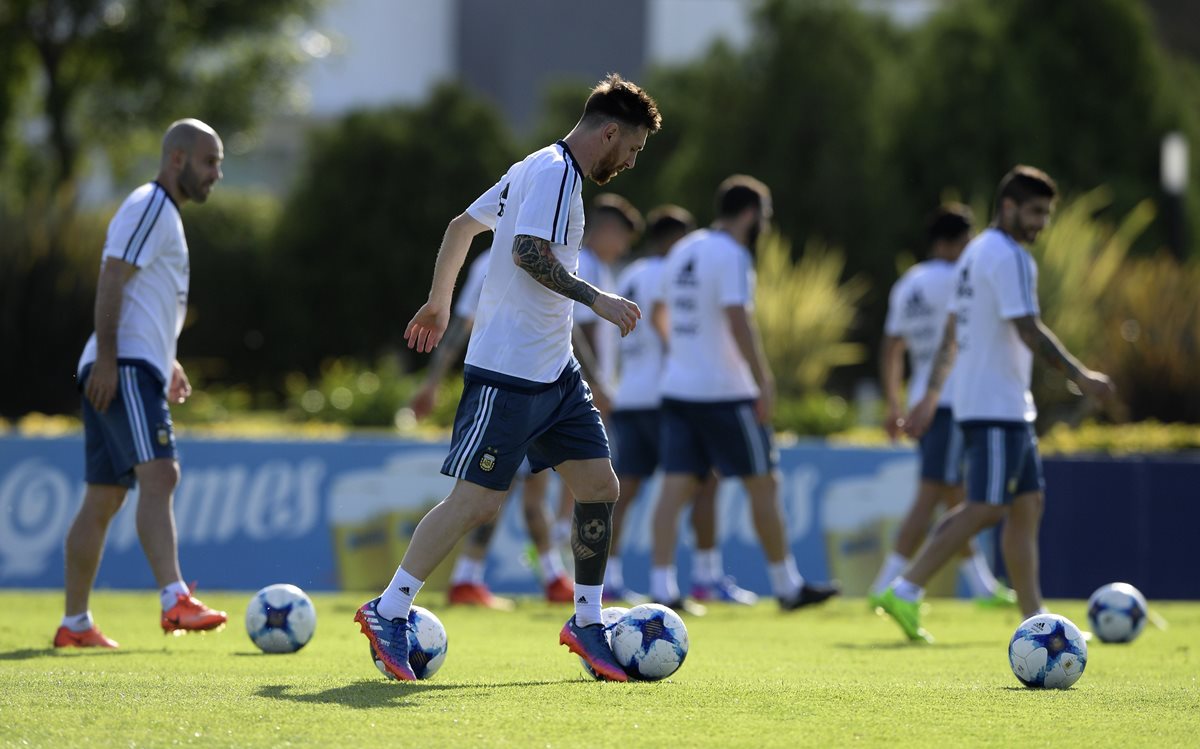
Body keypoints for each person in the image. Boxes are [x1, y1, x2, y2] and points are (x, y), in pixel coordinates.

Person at [355, 73, 661, 682]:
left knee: (599, 485)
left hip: (555, 371)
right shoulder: (552, 173)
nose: (630, 161)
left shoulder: (536, 168)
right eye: (633, 148)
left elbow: (462, 227)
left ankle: (589, 623)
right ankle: (389, 610)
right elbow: (526, 251)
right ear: (608, 132)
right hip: (509, 370)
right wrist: (595, 298)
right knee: (480, 501)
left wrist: (441, 301)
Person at [879, 165, 1115, 643]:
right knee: (985, 507)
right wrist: (1080, 376)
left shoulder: (974, 254)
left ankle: (1036, 618)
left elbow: (952, 332)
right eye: (1035, 212)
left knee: (1027, 507)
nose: (1042, 223)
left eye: (1046, 214)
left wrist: (930, 394)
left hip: (1004, 404)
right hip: (993, 406)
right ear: (1008, 206)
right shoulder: (1007, 256)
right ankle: (904, 588)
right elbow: (1027, 328)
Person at [56, 119, 229, 649]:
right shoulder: (152, 205)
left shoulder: (162, 214)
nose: (216, 175)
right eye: (209, 162)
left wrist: (166, 358)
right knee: (162, 473)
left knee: (104, 496)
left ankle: (75, 624)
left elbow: (144, 299)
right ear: (176, 159)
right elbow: (112, 275)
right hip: (122, 365)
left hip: (132, 361)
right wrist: (111, 359)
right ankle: (174, 599)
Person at [649, 175, 840, 612]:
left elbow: (660, 310)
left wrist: (682, 351)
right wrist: (763, 380)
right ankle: (787, 586)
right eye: (766, 216)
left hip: (678, 388)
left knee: (675, 488)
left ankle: (662, 589)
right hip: (725, 392)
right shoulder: (733, 254)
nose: (767, 225)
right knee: (764, 484)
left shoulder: (684, 248)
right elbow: (739, 319)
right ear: (751, 213)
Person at [604, 206, 756, 608]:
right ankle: (705, 576)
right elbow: (664, 320)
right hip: (668, 396)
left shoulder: (630, 274)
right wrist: (684, 354)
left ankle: (611, 578)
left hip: (629, 395)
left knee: (627, 491)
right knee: (703, 484)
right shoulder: (674, 269)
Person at [408, 248, 573, 607]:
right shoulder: (496, 259)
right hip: (507, 386)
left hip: (545, 382)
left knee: (533, 485)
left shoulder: (546, 245)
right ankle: (466, 576)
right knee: (491, 491)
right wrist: (432, 382)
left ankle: (552, 576)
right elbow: (461, 325)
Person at [868, 205, 1014, 608]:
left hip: (921, 399)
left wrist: (894, 402)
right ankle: (884, 585)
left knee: (954, 494)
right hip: (952, 400)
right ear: (959, 241)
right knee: (932, 492)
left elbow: (891, 347)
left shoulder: (909, 283)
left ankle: (983, 585)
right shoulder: (964, 277)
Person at [549, 194, 644, 558]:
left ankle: (561, 544)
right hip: (580, 385)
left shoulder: (599, 268)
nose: (622, 248)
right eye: (621, 238)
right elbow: (580, 331)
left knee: (583, 470)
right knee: (585, 467)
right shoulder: (585, 264)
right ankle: (561, 544)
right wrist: (596, 384)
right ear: (606, 229)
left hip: (584, 384)